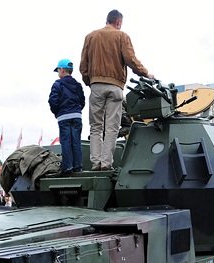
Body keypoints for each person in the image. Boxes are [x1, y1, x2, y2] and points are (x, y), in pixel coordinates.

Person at [80, 9, 153, 171]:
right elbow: (130, 60)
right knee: (112, 127)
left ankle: (95, 163)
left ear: (107, 20)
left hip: (96, 85)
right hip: (116, 87)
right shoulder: (122, 36)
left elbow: (83, 66)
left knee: (96, 126)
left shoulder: (90, 37)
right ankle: (106, 164)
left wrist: (90, 82)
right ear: (118, 22)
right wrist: (146, 73)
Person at [49, 58, 86, 174]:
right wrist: (77, 111)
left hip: (63, 117)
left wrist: (57, 113)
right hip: (76, 116)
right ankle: (78, 167)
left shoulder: (57, 84)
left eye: (58, 70)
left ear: (62, 70)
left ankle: (68, 167)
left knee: (66, 142)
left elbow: (53, 101)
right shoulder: (77, 84)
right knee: (76, 142)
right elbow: (82, 100)